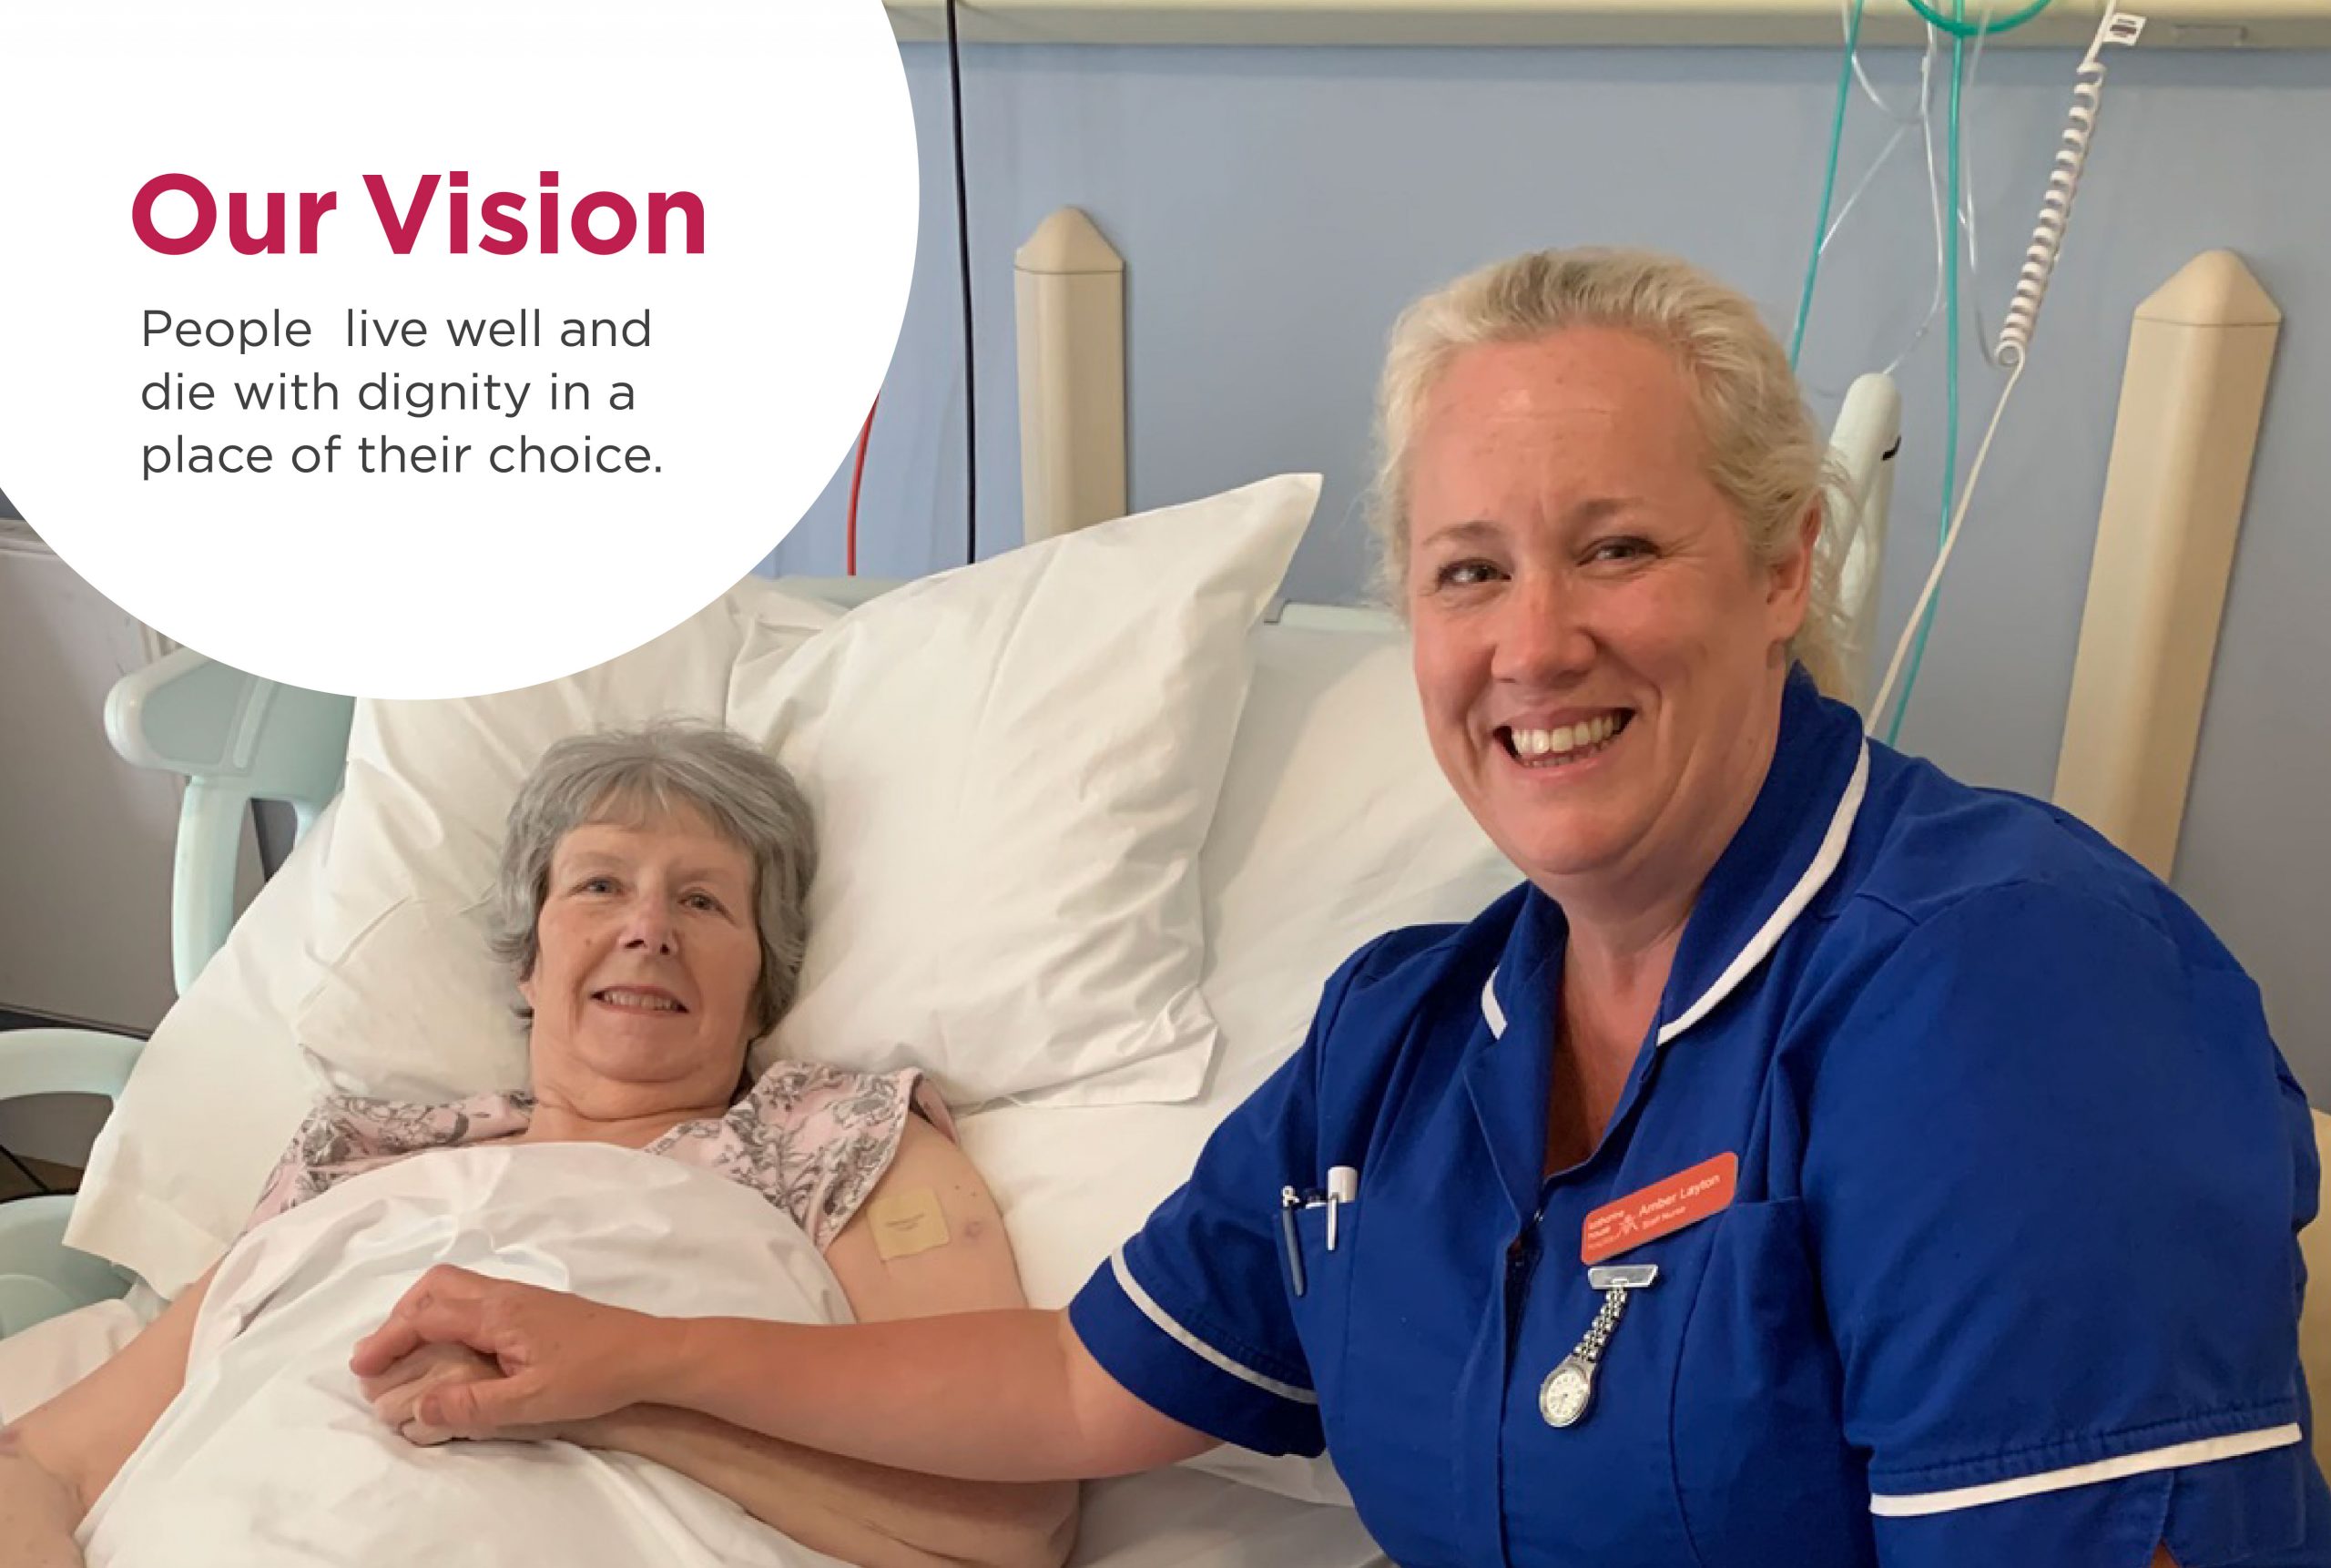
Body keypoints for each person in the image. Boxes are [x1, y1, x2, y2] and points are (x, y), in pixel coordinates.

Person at [347, 249, 2328, 1567]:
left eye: (1614, 547)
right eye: (1465, 575)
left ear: (1782, 566)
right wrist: (630, 1353)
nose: (1531, 644)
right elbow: (1068, 1381)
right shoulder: (1408, 1044)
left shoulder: (2002, 995)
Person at [0, 722, 1075, 1568]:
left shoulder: (833, 1139)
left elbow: (1000, 1517)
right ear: (528, 955)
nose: (647, 926)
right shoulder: (363, 1155)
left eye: (702, 901)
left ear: (764, 986)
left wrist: (613, 1402)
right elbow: (40, 1462)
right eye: (601, 884)